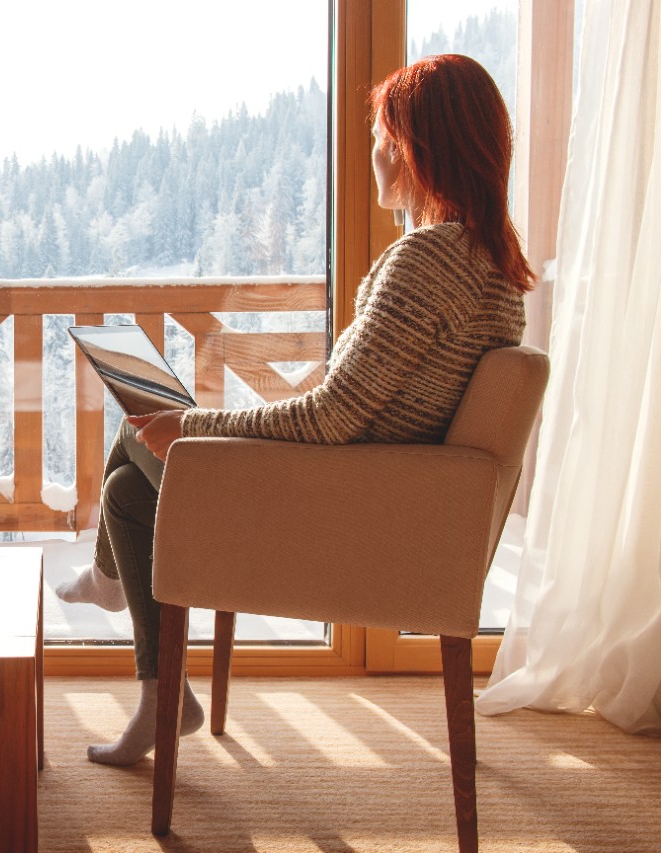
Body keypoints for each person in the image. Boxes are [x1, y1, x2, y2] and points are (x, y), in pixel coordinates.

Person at [56, 54, 535, 766]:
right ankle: (163, 692)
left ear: (413, 150)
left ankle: (109, 585)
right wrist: (207, 426)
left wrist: (192, 424)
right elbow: (360, 408)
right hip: (375, 496)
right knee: (131, 488)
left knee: (138, 438)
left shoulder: (428, 264)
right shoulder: (492, 270)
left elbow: (329, 421)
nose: (373, 150)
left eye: (381, 134)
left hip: (337, 512)